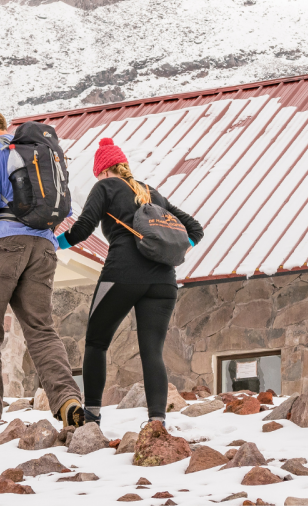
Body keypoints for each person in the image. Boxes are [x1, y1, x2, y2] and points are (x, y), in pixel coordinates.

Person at [56, 137, 204, 424]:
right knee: (152, 352)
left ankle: (93, 416)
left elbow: (84, 227)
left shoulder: (105, 187)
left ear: (104, 170)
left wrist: (56, 243)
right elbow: (195, 229)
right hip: (164, 280)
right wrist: (175, 250)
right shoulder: (152, 193)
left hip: (122, 275)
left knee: (96, 343)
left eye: (97, 173)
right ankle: (157, 422)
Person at [0, 110, 86, 427]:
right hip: (43, 247)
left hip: (3, 245)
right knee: (42, 331)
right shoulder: (39, 153)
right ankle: (67, 399)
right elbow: (66, 208)